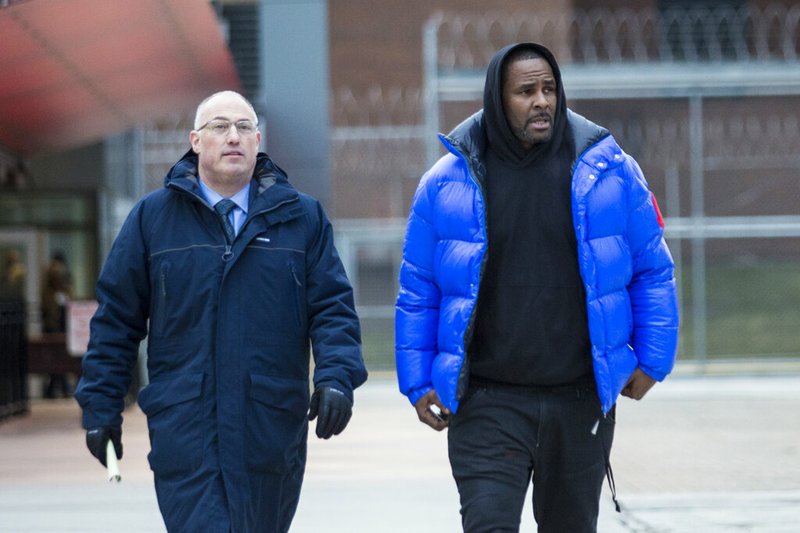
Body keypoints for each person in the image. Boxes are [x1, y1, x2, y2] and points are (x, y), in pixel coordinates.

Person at [395, 43, 679, 532]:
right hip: (487, 401)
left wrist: (654, 358)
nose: (542, 101)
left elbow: (652, 268)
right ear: (497, 101)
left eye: (549, 89)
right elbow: (418, 287)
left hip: (579, 400)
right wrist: (418, 381)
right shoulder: (447, 183)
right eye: (526, 91)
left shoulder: (609, 172)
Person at [75, 90, 367, 533]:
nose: (233, 136)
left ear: (258, 140)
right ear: (195, 141)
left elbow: (332, 308)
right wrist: (100, 407)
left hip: (268, 431)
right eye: (220, 127)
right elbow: (116, 320)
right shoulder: (153, 220)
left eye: (244, 127)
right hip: (186, 429)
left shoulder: (301, 219)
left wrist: (337, 378)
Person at [41, 251, 74, 398]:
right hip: (53, 328)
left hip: (63, 327)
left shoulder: (65, 288)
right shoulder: (48, 292)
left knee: (62, 358)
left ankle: (62, 386)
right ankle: (55, 387)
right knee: (54, 359)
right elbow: (47, 308)